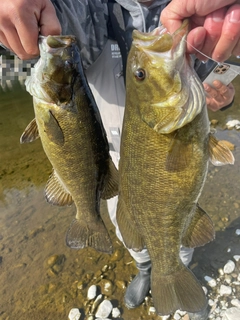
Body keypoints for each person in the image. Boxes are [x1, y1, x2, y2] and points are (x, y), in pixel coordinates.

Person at [0, 0, 238, 316]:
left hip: (170, 167)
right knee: (127, 228)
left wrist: (222, 97)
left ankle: (177, 270)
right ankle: (144, 270)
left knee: (178, 230)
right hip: (109, 162)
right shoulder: (88, 9)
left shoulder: (192, 9)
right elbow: (55, 21)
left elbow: (208, 78)